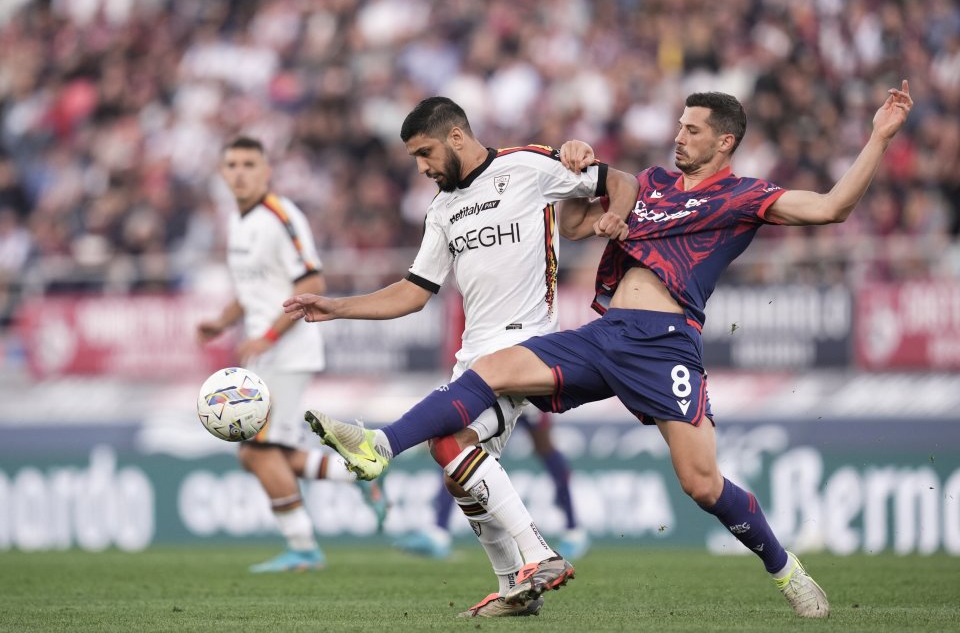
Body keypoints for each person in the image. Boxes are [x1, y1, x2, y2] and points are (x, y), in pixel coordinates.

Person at [288, 81, 914, 617]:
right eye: (679, 126)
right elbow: (572, 217)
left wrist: (880, 136)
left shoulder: (741, 196)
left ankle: (788, 571)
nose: (680, 137)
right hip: (605, 333)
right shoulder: (652, 185)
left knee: (700, 483)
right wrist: (578, 177)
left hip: (666, 346)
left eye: (693, 130)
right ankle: (380, 446)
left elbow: (833, 207)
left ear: (724, 141)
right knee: (490, 370)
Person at [283, 96, 638, 617]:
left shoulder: (529, 167)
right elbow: (413, 290)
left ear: (455, 137)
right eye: (414, 159)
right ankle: (515, 588)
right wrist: (337, 307)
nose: (422, 168)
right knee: (455, 461)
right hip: (475, 355)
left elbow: (620, 182)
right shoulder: (443, 209)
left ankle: (532, 549)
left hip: (526, 345)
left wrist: (617, 218)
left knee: (450, 448)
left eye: (424, 153)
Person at [197, 135, 386, 574]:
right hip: (267, 352)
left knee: (257, 452)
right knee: (265, 451)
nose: (240, 172)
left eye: (249, 164)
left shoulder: (281, 216)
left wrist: (266, 335)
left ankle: (304, 548)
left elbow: (314, 283)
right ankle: (358, 469)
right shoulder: (238, 222)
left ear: (266, 171)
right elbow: (253, 291)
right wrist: (222, 323)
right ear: (223, 174)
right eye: (232, 165)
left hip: (288, 348)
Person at [395, 409, 590, 561]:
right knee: (458, 449)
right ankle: (438, 532)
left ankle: (573, 531)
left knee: (544, 448)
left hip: (524, 387)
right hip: (494, 388)